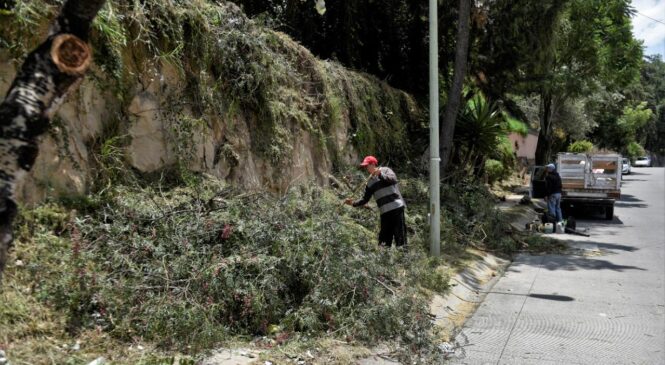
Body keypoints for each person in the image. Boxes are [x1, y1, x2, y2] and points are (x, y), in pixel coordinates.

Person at [345, 156, 407, 247]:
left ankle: (404, 258)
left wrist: (380, 174)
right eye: (365, 166)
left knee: (400, 236)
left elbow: (393, 179)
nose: (366, 168)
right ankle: (383, 259)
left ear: (373, 164)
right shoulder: (369, 182)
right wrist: (352, 203)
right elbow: (365, 199)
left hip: (397, 209)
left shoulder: (385, 170)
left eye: (367, 166)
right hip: (385, 213)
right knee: (384, 240)